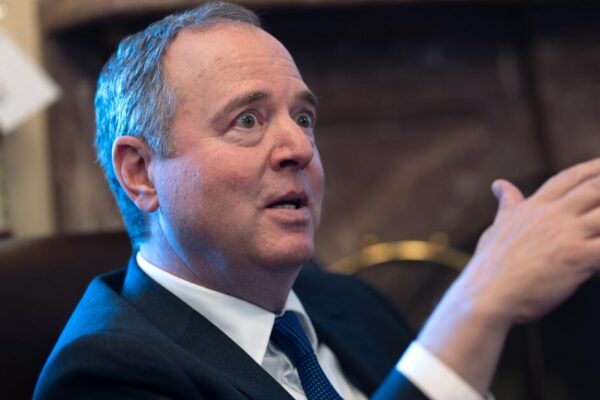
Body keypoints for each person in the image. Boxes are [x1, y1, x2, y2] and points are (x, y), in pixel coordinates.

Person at [34, 2, 600, 399]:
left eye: (303, 118)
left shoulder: (347, 302)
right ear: (141, 173)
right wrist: (475, 308)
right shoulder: (104, 376)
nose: (300, 149)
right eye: (248, 120)